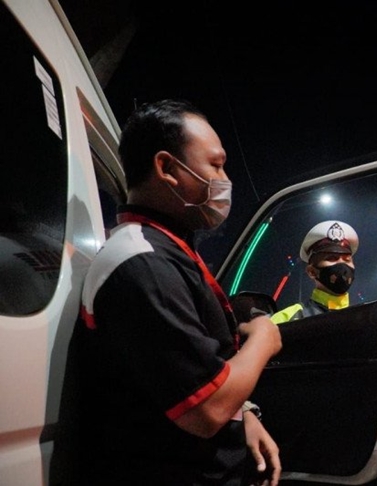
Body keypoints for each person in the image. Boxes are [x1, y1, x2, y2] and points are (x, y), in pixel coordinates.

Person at [59, 99, 283, 485]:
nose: (224, 179)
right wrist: (264, 338)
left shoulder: (165, 250)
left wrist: (244, 412)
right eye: (215, 164)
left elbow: (184, 370)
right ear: (166, 168)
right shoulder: (142, 262)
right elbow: (205, 409)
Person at [270, 220, 358, 324]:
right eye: (332, 258)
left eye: (347, 259)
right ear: (311, 271)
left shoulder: (364, 318)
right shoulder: (286, 319)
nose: (342, 265)